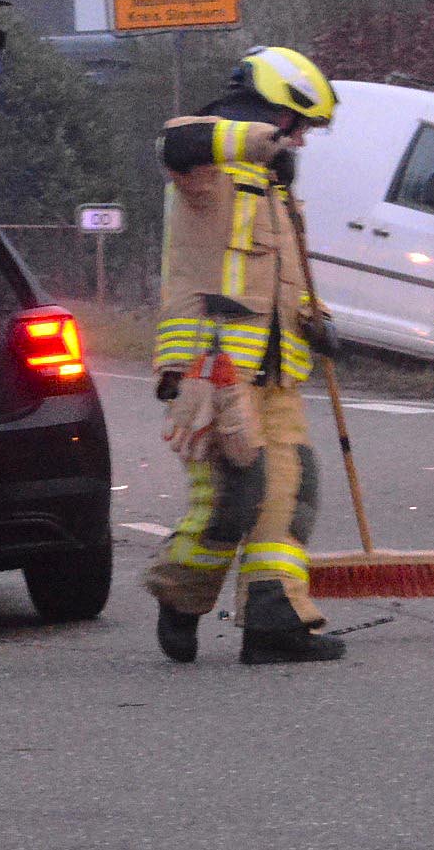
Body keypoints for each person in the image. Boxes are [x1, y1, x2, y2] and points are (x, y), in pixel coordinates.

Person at [142, 46, 347, 666]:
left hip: (276, 373)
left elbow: (284, 277)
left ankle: (274, 619)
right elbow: (176, 142)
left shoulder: (276, 190)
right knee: (237, 494)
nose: (303, 143)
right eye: (300, 125)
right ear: (274, 110)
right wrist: (265, 142)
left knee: (292, 488)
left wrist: (318, 321)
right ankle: (179, 597)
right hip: (214, 372)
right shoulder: (204, 169)